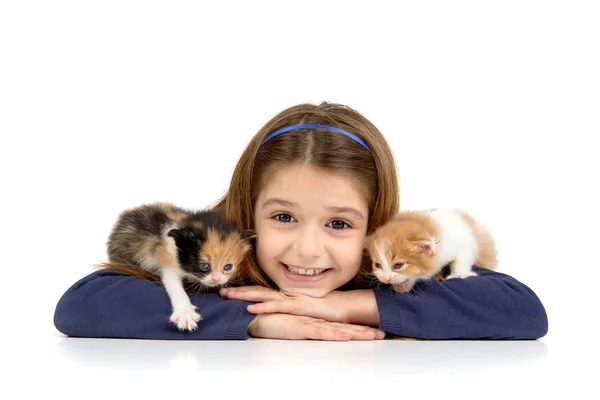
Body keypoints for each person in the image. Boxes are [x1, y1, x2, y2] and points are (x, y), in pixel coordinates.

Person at [53, 102, 548, 341]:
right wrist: (258, 319)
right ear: (246, 214)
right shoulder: (212, 261)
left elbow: (523, 311)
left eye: (339, 224)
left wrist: (352, 306)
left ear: (374, 227)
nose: (308, 250)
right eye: (284, 217)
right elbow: (81, 306)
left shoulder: (392, 268)